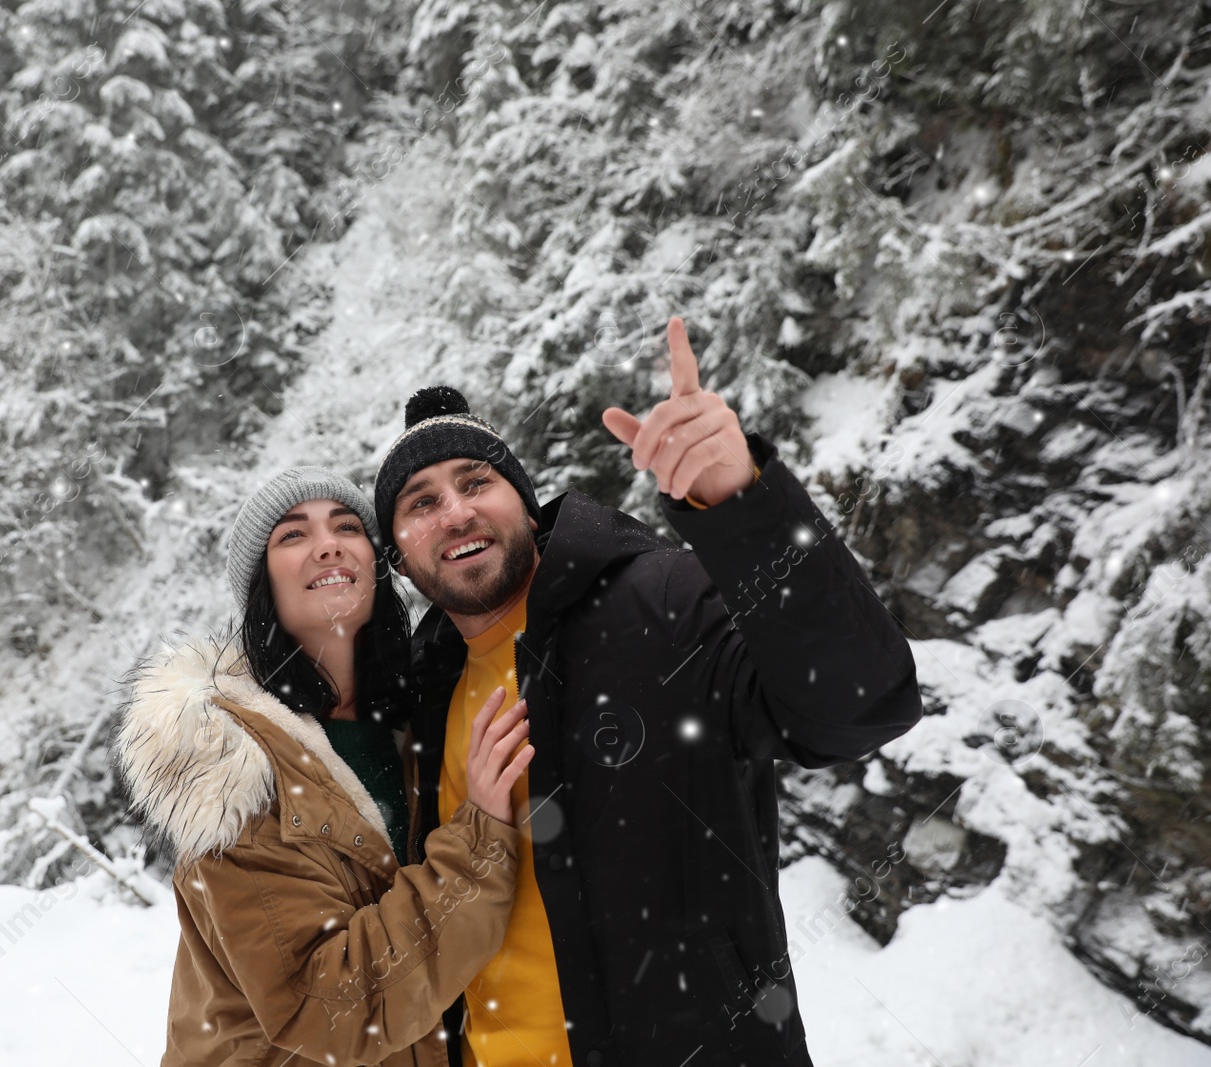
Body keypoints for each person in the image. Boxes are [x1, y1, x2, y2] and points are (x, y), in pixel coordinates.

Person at [373, 318, 925, 1067]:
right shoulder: (419, 695)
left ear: (528, 506)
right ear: (400, 561)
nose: (457, 511)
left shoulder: (659, 599)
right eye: (420, 502)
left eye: (477, 482)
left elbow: (860, 704)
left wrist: (741, 503)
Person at [113, 466, 535, 1066]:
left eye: (346, 526)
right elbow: (329, 1003)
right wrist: (477, 846)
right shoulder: (227, 761)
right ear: (262, 586)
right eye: (292, 535)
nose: (328, 543)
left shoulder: (415, 722)